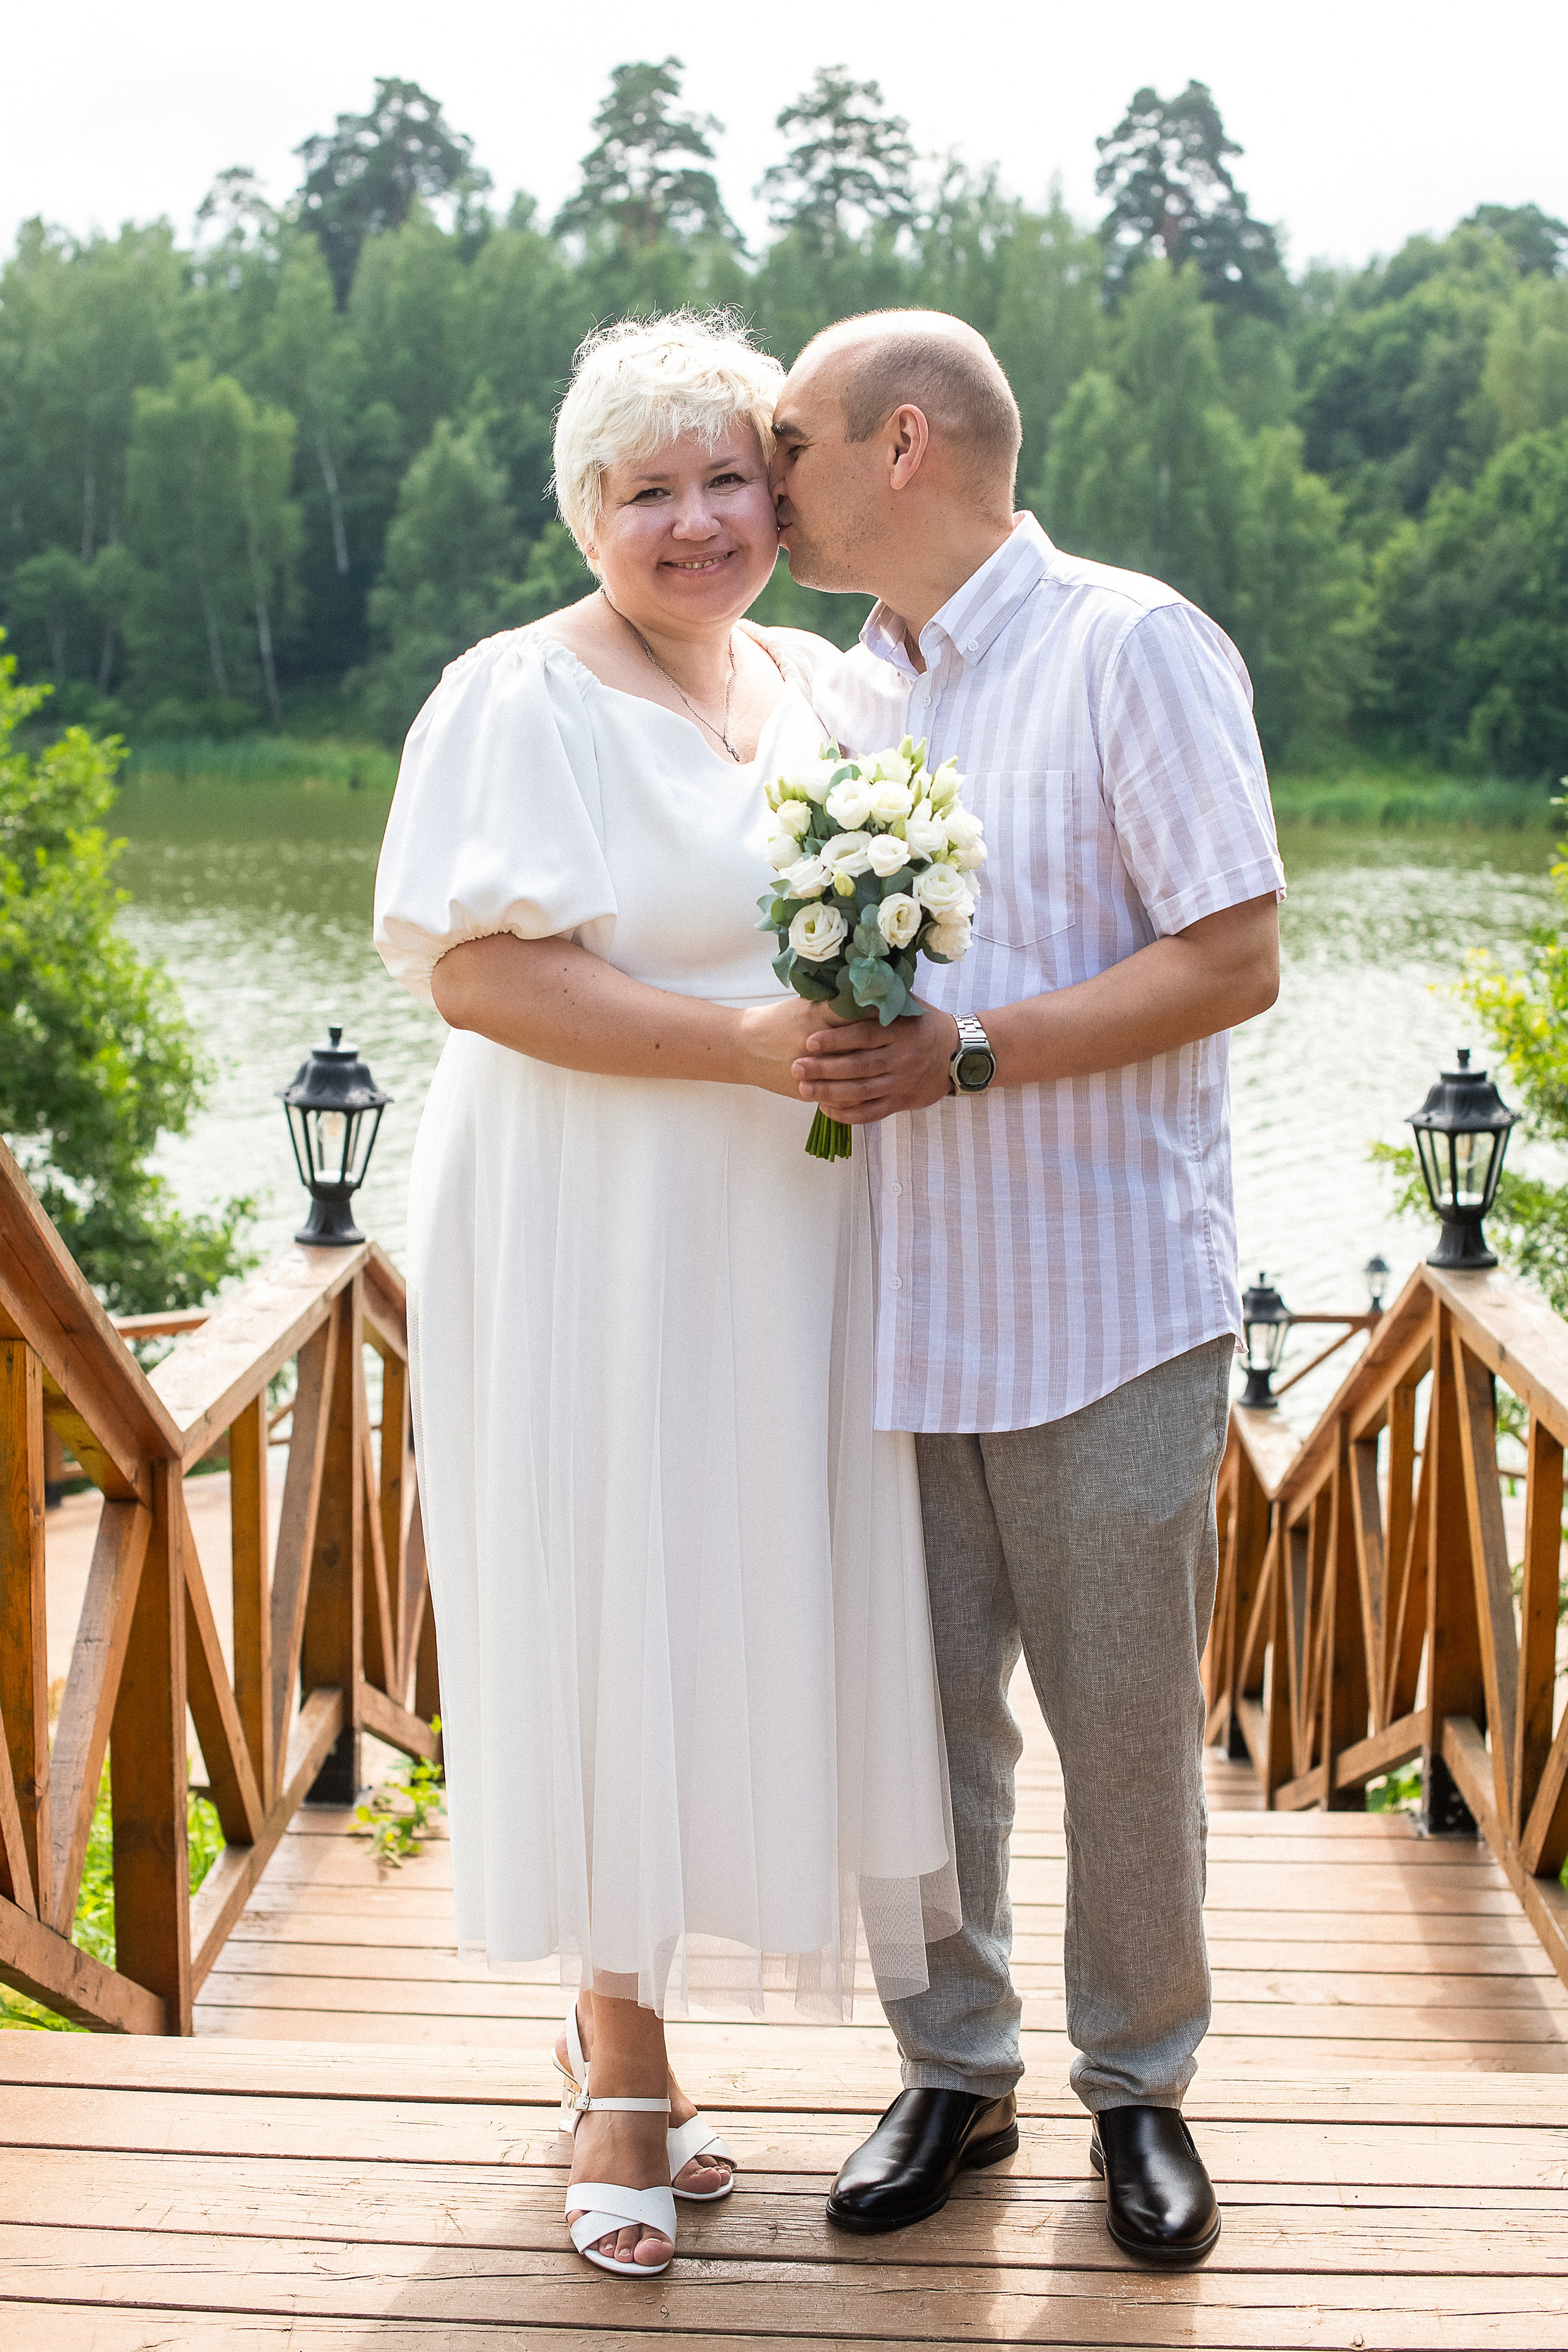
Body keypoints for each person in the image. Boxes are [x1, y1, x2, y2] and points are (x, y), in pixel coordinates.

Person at [373, 313, 957, 2282]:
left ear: (783, 499)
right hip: (587, 1224)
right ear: (585, 512)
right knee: (609, 1592)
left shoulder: (826, 688)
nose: (696, 522)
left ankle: (643, 2016)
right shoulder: (513, 696)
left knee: (742, 1605)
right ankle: (622, 2051)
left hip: (787, 1241)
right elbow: (476, 975)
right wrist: (735, 1047)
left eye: (729, 481)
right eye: (647, 493)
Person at [767, 309, 1284, 2264]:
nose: (766, 472)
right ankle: (953, 2070)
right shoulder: (842, 701)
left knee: (1125, 1727)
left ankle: (1141, 2091)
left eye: (788, 441)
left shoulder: (1131, 646)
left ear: (903, 446)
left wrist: (971, 1052)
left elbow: (1234, 957)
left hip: (1106, 1306)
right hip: (890, 1308)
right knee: (919, 1730)